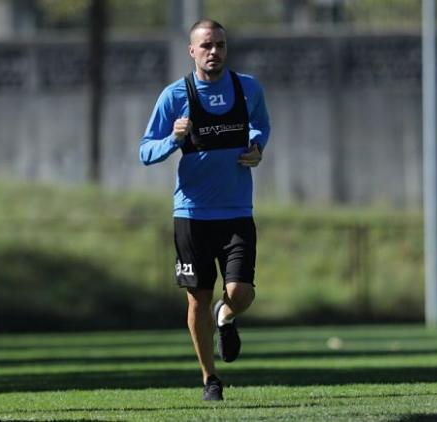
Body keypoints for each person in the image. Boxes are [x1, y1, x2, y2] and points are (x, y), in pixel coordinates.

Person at [139, 19, 270, 401]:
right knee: (197, 299)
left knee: (241, 292)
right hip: (192, 214)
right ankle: (210, 379)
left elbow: (261, 124)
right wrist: (172, 139)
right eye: (207, 46)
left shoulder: (248, 89)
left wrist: (258, 146)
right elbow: (145, 151)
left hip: (236, 211)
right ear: (192, 51)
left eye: (221, 46)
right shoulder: (175, 95)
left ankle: (226, 316)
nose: (215, 52)